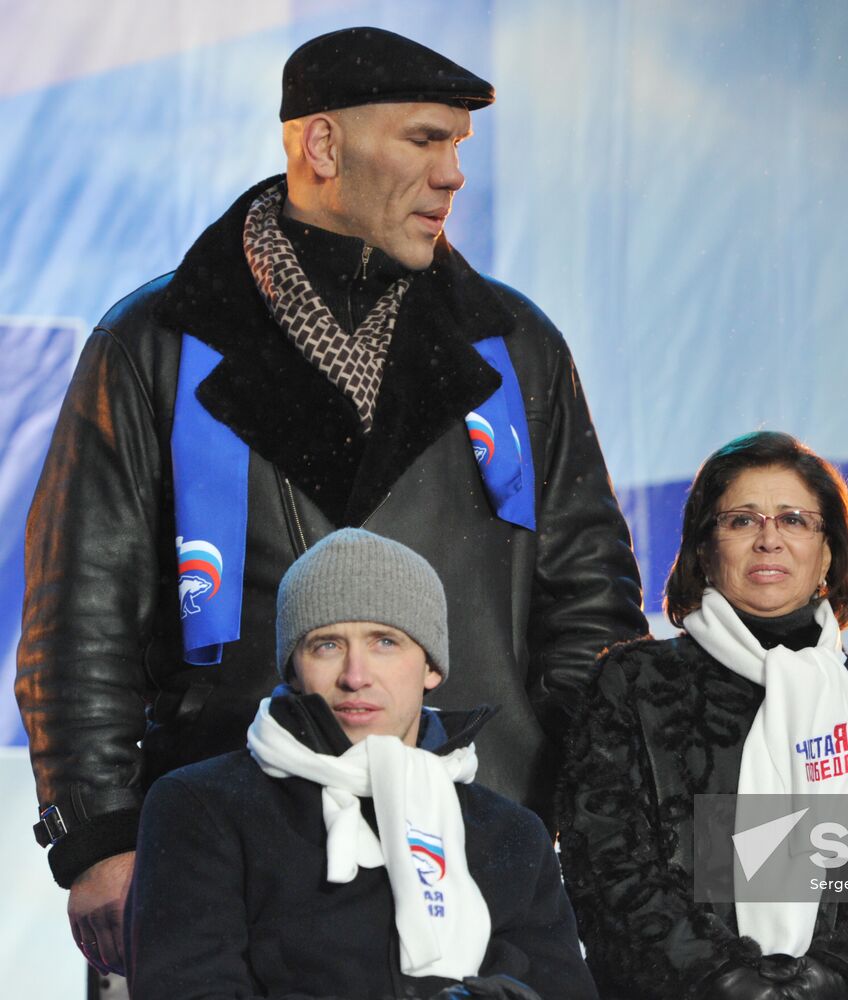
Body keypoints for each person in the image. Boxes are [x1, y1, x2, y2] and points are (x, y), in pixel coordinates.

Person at [16, 25, 645, 979]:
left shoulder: (517, 347)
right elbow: (81, 613)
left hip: (471, 839)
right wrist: (98, 838)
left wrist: (559, 811)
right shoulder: (153, 342)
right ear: (321, 146)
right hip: (228, 853)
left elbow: (591, 605)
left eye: (458, 149)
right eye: (424, 141)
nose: (451, 176)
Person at [557, 431, 848, 999]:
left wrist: (832, 982)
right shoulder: (633, 685)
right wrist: (725, 981)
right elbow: (606, 869)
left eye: (795, 520)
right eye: (742, 520)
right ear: (703, 549)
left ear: (828, 552)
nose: (770, 539)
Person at [125, 528, 598, 1000]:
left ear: (432, 666)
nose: (355, 676)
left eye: (385, 642)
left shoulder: (511, 832)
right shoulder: (201, 808)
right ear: (293, 667)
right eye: (327, 645)